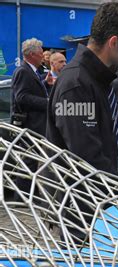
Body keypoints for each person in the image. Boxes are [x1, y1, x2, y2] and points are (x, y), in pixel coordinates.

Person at [46, 1, 118, 183]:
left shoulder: (99, 79)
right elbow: (87, 160)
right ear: (113, 42)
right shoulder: (75, 86)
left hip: (100, 199)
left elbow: (106, 146)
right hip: (81, 207)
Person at [11, 38, 53, 199]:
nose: (43, 55)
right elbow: (21, 97)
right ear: (33, 54)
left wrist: (45, 83)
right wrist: (47, 103)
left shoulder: (31, 71)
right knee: (28, 162)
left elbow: (30, 90)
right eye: (41, 52)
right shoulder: (23, 71)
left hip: (35, 125)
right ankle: (22, 197)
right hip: (30, 126)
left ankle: (28, 194)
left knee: (31, 161)